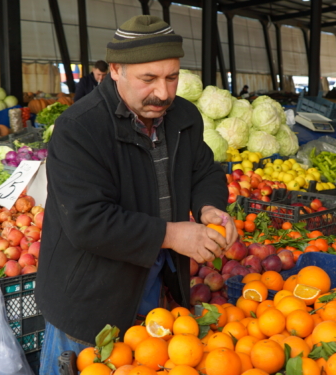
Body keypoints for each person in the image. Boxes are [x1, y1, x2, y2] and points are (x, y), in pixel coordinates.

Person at [36, 15, 238, 375]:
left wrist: (209, 207)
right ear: (116, 70)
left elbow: (204, 170)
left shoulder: (184, 117)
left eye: (172, 77)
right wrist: (174, 234)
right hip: (91, 297)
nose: (163, 92)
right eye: (149, 79)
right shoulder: (79, 130)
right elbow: (88, 221)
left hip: (156, 286)